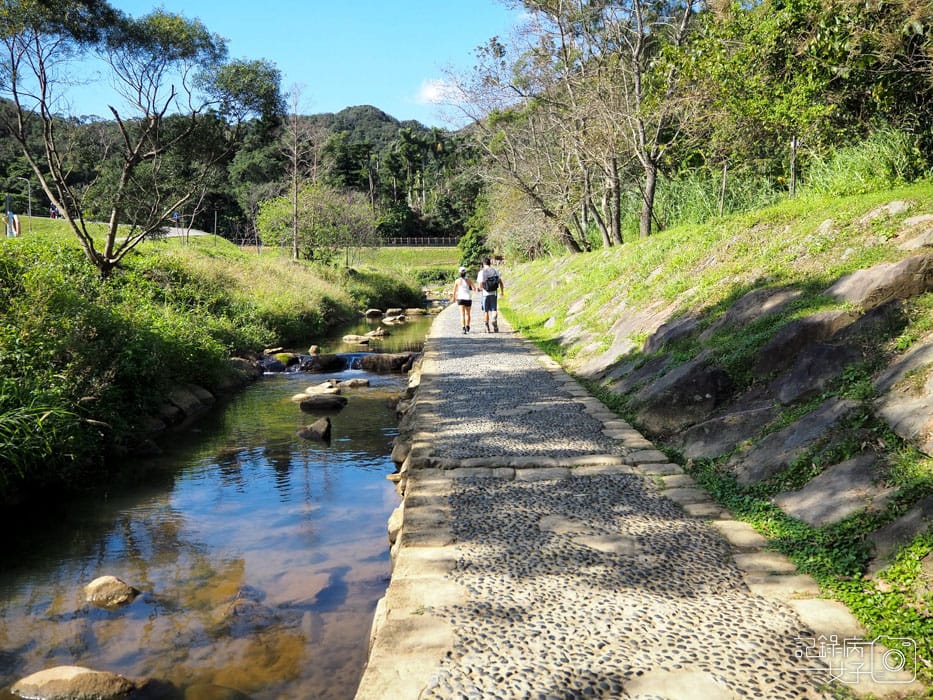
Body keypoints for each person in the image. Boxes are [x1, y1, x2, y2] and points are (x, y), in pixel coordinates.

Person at [476, 256, 504, 332]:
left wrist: (479, 289)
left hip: (485, 294)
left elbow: (480, 286)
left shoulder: (481, 272)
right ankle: (494, 319)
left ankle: (487, 327)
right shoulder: (495, 271)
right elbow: (500, 282)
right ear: (490, 263)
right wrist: (502, 292)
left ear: (483, 264)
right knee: (494, 309)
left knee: (486, 311)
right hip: (494, 293)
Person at [451, 265, 477, 334]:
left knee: (462, 314)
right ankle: (467, 326)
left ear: (459, 273)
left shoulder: (457, 281)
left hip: (460, 298)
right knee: (468, 314)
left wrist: (453, 298)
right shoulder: (469, 280)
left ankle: (463, 328)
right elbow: (474, 288)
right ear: (465, 272)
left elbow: (454, 291)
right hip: (468, 298)